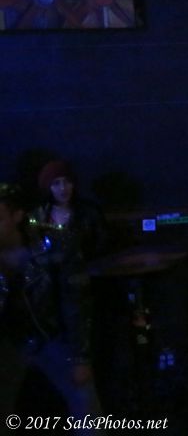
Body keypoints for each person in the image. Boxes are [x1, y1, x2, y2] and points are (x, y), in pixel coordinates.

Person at [0, 183, 103, 432]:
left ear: (17, 216)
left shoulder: (54, 244)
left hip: (52, 336)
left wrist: (79, 358)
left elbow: (75, 302)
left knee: (85, 404)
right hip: (9, 340)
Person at [31, 159, 110, 261]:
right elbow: (35, 249)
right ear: (48, 187)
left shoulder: (89, 212)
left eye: (67, 181)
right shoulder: (39, 216)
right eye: (56, 183)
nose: (63, 188)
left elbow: (102, 244)